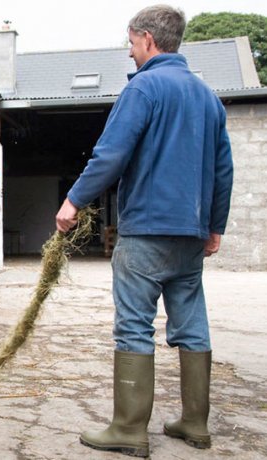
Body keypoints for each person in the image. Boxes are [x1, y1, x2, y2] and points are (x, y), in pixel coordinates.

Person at [55, 5, 233, 458]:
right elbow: (222, 169)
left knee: (134, 325)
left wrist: (74, 200)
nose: (130, 53)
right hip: (190, 235)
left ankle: (129, 429)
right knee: (191, 324)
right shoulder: (207, 96)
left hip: (146, 231)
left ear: (148, 39)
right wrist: (214, 227)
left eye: (131, 44)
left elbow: (110, 155)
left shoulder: (143, 89)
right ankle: (195, 423)